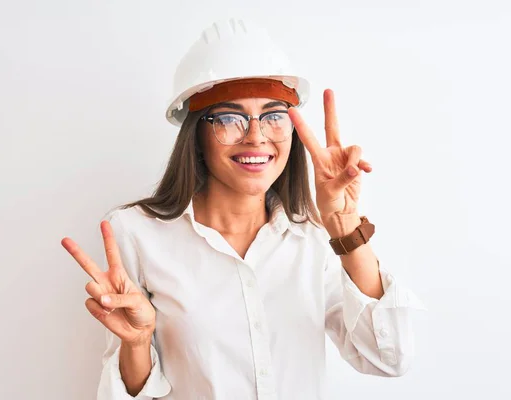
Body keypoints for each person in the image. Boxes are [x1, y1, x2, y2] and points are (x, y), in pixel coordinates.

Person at [61, 18, 426, 400]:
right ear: (196, 133)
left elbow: (390, 359)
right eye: (230, 118)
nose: (256, 136)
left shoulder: (317, 238)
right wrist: (136, 344)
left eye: (274, 116)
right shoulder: (136, 233)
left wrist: (344, 225)